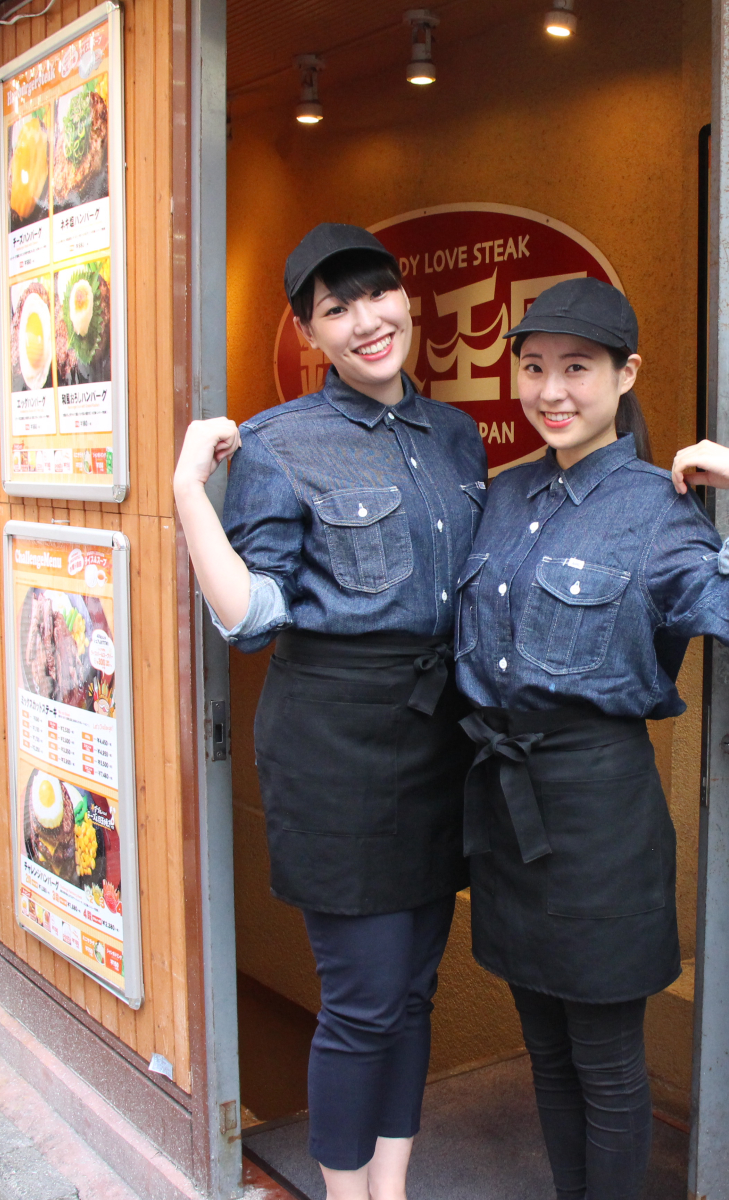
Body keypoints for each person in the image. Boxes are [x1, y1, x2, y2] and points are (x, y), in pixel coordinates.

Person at [453, 278, 729, 1199]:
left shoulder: (652, 508)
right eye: (533, 368)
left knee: (604, 1064)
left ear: (624, 374)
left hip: (600, 813)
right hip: (504, 803)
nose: (551, 390)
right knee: (546, 1053)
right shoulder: (505, 492)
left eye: (577, 368)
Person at [172, 224, 486, 1200]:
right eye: (334, 308)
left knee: (415, 988)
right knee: (361, 1002)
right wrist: (189, 489)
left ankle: (388, 1188)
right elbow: (251, 618)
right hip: (336, 748)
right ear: (310, 333)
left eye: (375, 295)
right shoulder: (276, 444)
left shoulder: (454, 435)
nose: (364, 321)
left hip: (441, 738)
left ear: (408, 301)